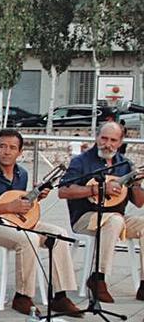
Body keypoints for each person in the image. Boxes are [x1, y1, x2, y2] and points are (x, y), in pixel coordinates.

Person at [0, 129, 82, 316]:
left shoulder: (22, 174)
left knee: (59, 235)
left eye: (12, 148)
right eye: (2, 146)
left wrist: (36, 198)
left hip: (15, 222)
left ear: (20, 152)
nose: (7, 151)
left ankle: (60, 296)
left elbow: (19, 204)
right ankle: (23, 296)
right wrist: (8, 208)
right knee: (28, 240)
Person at [57, 122, 144, 302]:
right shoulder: (81, 161)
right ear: (96, 137)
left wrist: (136, 183)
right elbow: (63, 191)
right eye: (104, 138)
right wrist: (96, 189)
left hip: (116, 217)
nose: (108, 144)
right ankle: (98, 278)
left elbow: (139, 203)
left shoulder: (125, 164)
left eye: (113, 140)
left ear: (120, 142)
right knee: (114, 221)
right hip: (85, 218)